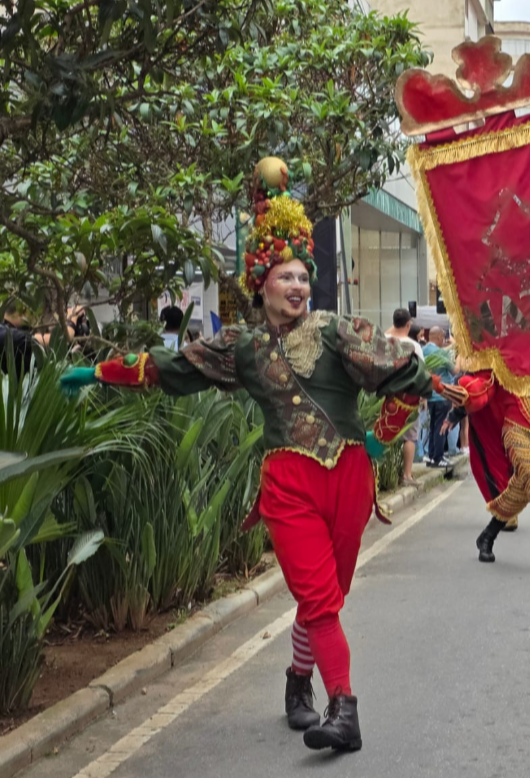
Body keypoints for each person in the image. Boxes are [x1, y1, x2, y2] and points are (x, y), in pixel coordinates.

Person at [60, 157, 435, 753]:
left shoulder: (339, 331)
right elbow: (172, 368)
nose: (296, 287)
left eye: (302, 278)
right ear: (260, 283)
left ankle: (296, 681)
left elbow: (401, 375)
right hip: (286, 484)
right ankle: (344, 709)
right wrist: (98, 371)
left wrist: (407, 401)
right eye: (284, 277)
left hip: (349, 480)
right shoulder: (241, 346)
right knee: (317, 598)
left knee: (327, 599)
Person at [443, 372, 530, 574]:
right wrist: (458, 408)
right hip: (516, 424)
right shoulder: (502, 347)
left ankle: (487, 536)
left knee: (521, 486)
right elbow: (483, 386)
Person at [386, 308, 425, 486]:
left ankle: (387, 474)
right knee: (409, 436)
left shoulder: (385, 340)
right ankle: (407, 475)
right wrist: (423, 397)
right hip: (408, 396)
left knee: (386, 431)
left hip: (385, 393)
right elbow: (421, 373)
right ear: (408, 324)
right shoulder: (413, 346)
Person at [422, 326, 456, 468]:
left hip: (430, 395)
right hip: (442, 394)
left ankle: (431, 456)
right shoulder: (442, 353)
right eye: (443, 338)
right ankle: (438, 457)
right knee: (440, 427)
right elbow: (454, 371)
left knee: (432, 426)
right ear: (439, 337)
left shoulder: (423, 351)